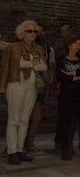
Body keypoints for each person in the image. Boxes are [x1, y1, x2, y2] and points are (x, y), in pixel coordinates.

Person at [0, 20, 48, 165]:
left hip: (32, 85)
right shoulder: (13, 48)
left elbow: (44, 66)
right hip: (16, 83)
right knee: (14, 119)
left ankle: (21, 150)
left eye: (35, 31)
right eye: (29, 31)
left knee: (25, 119)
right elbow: (6, 67)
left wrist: (31, 63)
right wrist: (2, 86)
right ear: (22, 33)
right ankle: (12, 151)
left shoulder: (38, 48)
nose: (33, 33)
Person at [55, 33, 80, 160]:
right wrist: (75, 77)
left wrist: (73, 74)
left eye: (79, 44)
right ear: (69, 45)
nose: (77, 46)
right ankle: (66, 150)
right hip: (66, 96)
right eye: (75, 44)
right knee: (67, 123)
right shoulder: (61, 60)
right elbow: (61, 77)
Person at [25, 24, 56, 154]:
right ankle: (15, 145)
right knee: (23, 117)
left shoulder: (48, 50)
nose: (38, 34)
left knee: (36, 117)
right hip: (24, 87)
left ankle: (29, 144)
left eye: (40, 31)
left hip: (39, 88)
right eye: (35, 31)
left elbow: (51, 67)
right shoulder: (23, 47)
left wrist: (47, 82)